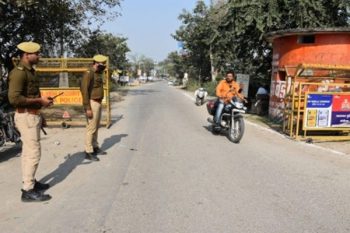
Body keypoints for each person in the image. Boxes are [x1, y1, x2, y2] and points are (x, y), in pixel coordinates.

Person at [8, 42, 53, 202]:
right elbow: (14, 99)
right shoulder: (19, 73)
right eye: (37, 53)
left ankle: (30, 182)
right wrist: (40, 100)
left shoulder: (31, 72)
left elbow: (33, 96)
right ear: (27, 55)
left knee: (28, 152)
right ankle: (27, 191)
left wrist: (41, 110)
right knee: (33, 153)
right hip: (26, 116)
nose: (39, 56)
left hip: (32, 115)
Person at [80, 54, 108, 161]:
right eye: (102, 64)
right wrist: (87, 108)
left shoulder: (98, 73)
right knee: (91, 128)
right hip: (92, 103)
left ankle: (95, 146)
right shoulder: (89, 73)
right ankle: (88, 150)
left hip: (98, 102)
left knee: (96, 127)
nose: (104, 66)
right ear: (95, 63)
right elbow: (84, 91)